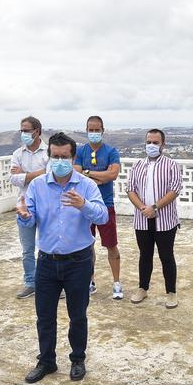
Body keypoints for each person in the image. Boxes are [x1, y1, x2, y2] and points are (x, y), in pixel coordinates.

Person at [17, 132, 109, 383]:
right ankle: (46, 361)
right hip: (46, 261)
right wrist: (24, 215)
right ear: (49, 157)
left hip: (78, 261)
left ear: (72, 157)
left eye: (64, 157)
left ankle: (78, 359)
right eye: (55, 156)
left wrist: (84, 205)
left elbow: (103, 217)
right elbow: (30, 218)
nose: (60, 161)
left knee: (77, 314)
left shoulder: (86, 185)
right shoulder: (37, 186)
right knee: (44, 315)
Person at [125, 129, 183, 308]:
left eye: (155, 143)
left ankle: (171, 292)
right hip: (142, 219)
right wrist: (143, 207)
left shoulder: (171, 165)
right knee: (145, 255)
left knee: (166, 256)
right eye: (149, 142)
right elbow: (130, 189)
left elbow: (175, 189)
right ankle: (142, 288)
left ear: (162, 145)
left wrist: (155, 207)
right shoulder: (137, 165)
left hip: (165, 220)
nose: (151, 145)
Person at [74, 116, 123, 299]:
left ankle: (116, 283)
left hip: (106, 204)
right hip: (85, 206)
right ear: (86, 130)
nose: (93, 133)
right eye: (90, 129)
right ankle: (90, 281)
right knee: (87, 246)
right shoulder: (80, 151)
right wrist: (99, 177)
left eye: (97, 130)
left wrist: (88, 173)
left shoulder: (111, 151)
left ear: (103, 130)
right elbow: (77, 173)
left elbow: (113, 174)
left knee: (111, 245)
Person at [9, 116, 49, 299]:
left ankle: (49, 282)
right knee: (27, 248)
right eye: (22, 130)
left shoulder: (48, 152)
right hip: (24, 206)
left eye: (27, 130)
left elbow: (52, 175)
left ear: (37, 131)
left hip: (47, 205)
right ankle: (30, 282)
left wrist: (25, 174)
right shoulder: (18, 154)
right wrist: (39, 173)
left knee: (48, 247)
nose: (24, 134)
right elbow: (13, 179)